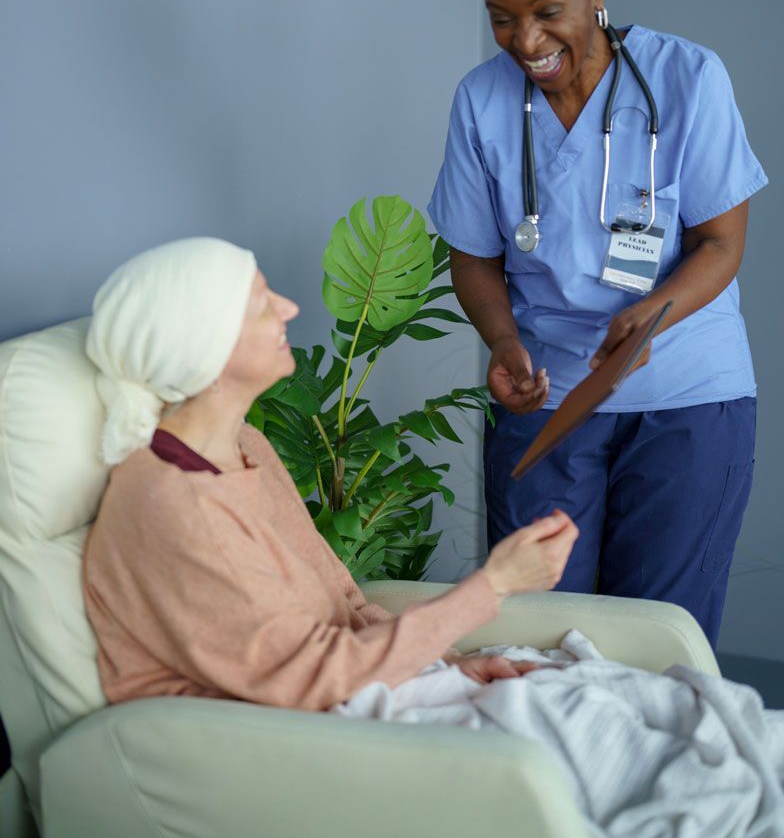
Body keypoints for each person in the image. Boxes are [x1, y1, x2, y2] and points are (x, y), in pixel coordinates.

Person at [428, 0, 768, 649]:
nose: (526, 38)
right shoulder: (482, 103)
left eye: (547, 10)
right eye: (501, 17)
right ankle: (551, 775)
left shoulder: (688, 78)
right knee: (540, 637)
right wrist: (504, 344)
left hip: (686, 390)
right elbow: (474, 256)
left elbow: (720, 242)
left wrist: (654, 313)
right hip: (546, 395)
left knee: (655, 640)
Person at [82, 237, 579, 711]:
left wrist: (449, 664)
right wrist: (491, 587)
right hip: (284, 742)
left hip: (359, 692)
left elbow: (341, 598)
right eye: (261, 304)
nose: (289, 309)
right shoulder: (174, 506)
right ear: (202, 346)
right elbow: (308, 676)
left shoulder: (243, 446)